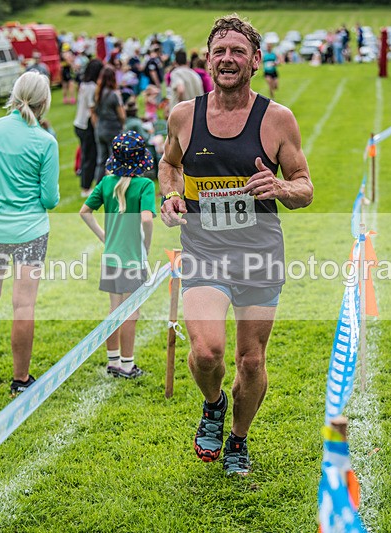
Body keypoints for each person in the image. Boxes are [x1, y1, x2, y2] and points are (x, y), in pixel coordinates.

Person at [159, 14, 313, 476]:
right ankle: (213, 404)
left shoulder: (277, 119)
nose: (228, 59)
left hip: (259, 256)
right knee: (207, 352)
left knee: (251, 360)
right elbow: (169, 165)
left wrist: (280, 187)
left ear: (256, 60)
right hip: (204, 252)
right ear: (208, 60)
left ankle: (239, 440)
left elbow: (304, 187)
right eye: (220, 51)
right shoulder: (184, 116)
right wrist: (170, 196)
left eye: (238, 51)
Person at [0, 71, 60, 395]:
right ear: (44, 101)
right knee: (23, 305)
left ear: (14, 96)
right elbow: (50, 199)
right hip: (29, 231)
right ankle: (20, 380)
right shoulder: (45, 142)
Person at [80, 131, 156, 378]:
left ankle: (113, 361)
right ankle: (127, 365)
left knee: (114, 310)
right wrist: (146, 245)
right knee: (132, 312)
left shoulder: (106, 183)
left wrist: (105, 237)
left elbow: (84, 212)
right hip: (133, 258)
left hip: (111, 257)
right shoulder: (144, 185)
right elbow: (147, 219)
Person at [92, 65, 126, 187]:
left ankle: (99, 187)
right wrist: (122, 124)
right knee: (114, 160)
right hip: (113, 130)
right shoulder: (114, 95)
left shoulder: (97, 94)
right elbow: (121, 115)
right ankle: (114, 186)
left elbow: (94, 113)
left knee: (101, 160)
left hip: (100, 129)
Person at [75, 59, 104, 197]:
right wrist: (97, 127)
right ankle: (86, 188)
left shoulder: (83, 84)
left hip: (78, 123)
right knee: (90, 157)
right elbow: (92, 110)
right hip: (86, 125)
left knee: (86, 155)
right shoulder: (91, 87)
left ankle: (85, 184)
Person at [168, 50, 204, 114]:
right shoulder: (195, 74)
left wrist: (180, 106)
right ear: (187, 61)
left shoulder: (176, 73)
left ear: (175, 62)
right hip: (196, 112)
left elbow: (181, 90)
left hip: (181, 113)